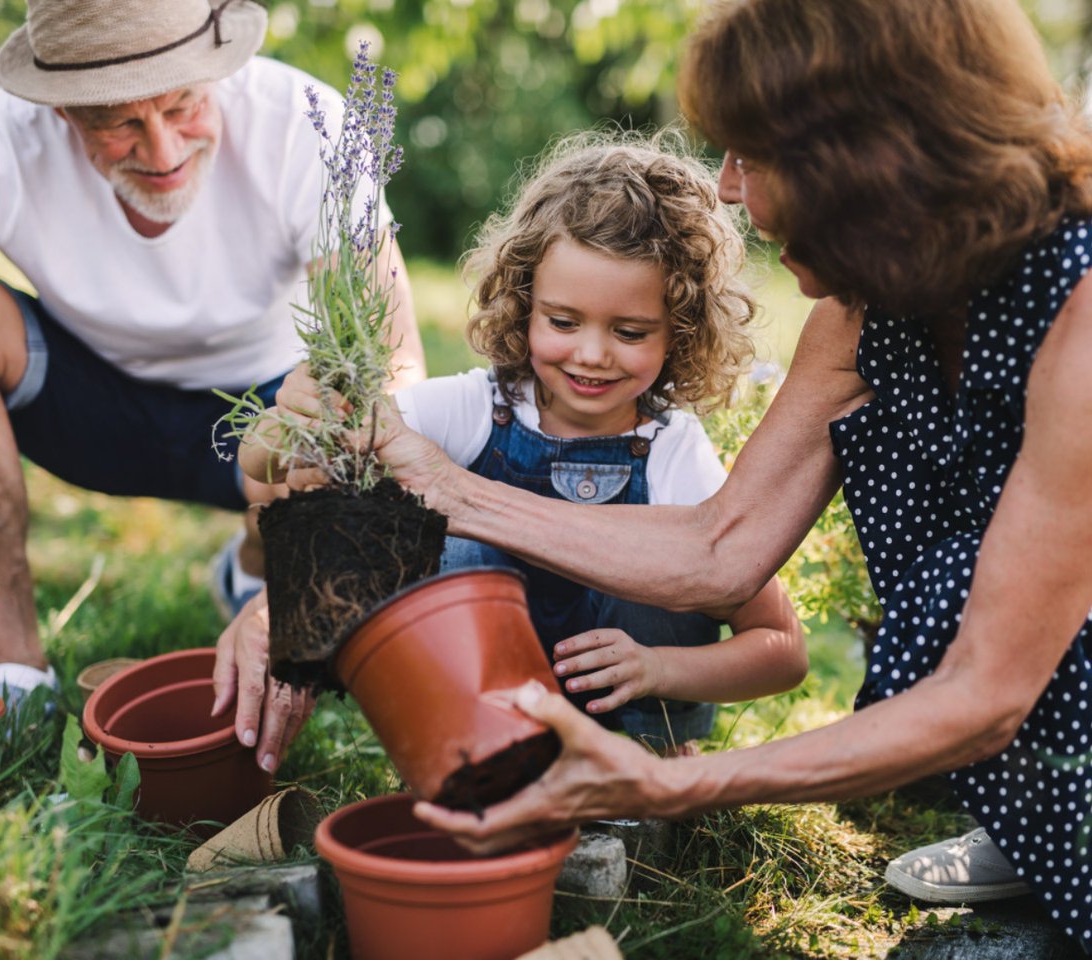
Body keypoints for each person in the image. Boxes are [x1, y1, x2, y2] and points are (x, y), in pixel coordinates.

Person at [253, 0, 1092, 945]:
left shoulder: (1080, 322)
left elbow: (983, 695)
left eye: (753, 156)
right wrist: (281, 598)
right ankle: (1033, 824)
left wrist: (668, 781)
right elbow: (723, 546)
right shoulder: (866, 316)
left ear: (868, 158)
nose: (729, 190)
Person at [0, 0, 425, 727]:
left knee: (343, 407)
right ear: (60, 110)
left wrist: (290, 601)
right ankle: (18, 675)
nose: (166, 151)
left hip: (264, 424)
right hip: (90, 408)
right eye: (119, 124)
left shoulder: (302, 121)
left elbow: (394, 376)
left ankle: (256, 563)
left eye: (183, 106)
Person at [238, 132, 807, 756]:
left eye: (630, 330)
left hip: (627, 725)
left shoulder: (673, 450)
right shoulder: (475, 409)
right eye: (563, 322)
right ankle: (469, 749)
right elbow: (268, 461)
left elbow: (781, 650)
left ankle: (656, 756)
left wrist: (659, 668)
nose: (591, 354)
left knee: (668, 566)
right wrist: (290, 417)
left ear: (681, 330)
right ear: (524, 305)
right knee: (448, 545)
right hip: (485, 720)